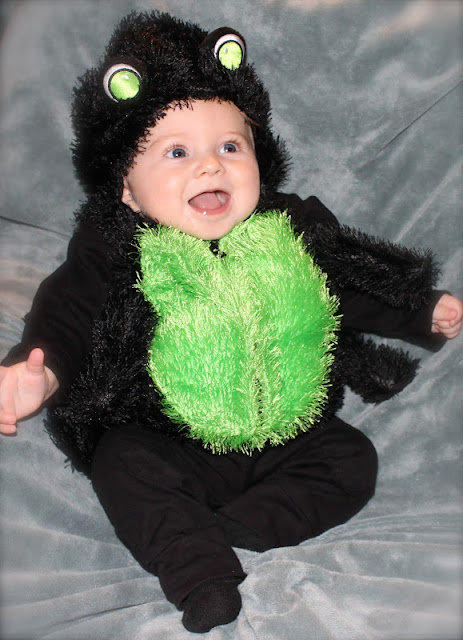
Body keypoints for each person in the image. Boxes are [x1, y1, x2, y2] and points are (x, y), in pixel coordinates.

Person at [0, 11, 461, 634]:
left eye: (230, 147)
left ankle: (236, 527)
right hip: (171, 439)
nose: (210, 166)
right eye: (177, 152)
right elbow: (69, 311)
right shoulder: (118, 248)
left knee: (353, 459)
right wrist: (39, 370)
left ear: (258, 159)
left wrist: (420, 311)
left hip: (285, 435)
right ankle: (201, 575)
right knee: (121, 460)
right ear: (128, 191)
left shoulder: (285, 231)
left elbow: (347, 287)